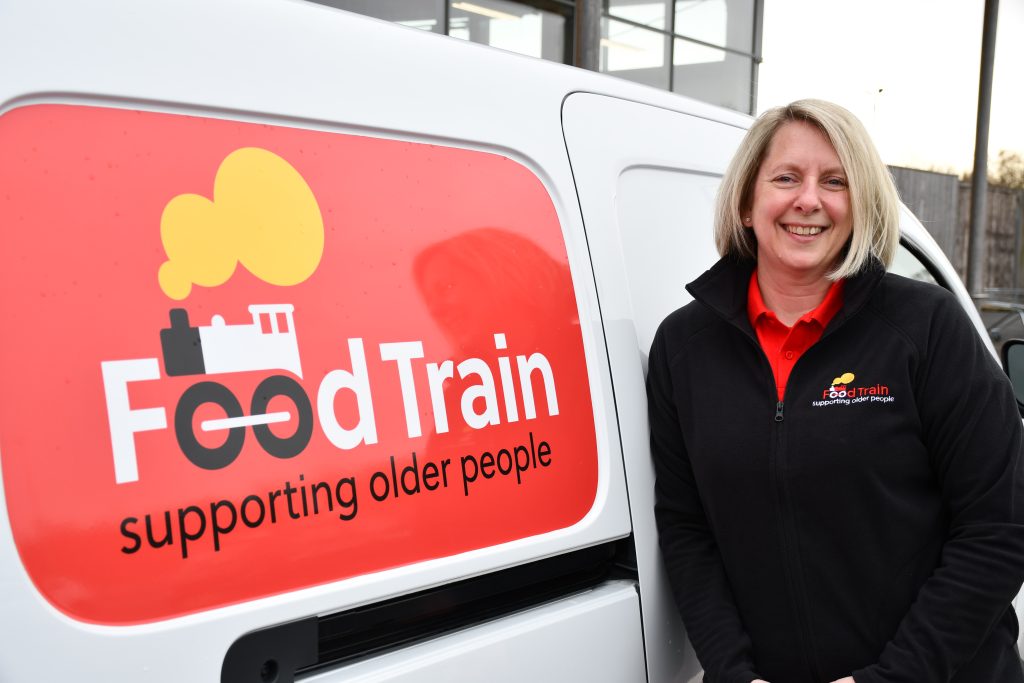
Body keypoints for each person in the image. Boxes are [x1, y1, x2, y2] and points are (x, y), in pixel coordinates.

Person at [646, 99, 1024, 683]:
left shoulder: (926, 328)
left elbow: (1000, 527)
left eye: (835, 182)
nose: (808, 201)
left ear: (861, 205)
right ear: (747, 203)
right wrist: (733, 673)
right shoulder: (682, 347)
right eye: (786, 178)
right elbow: (687, 528)